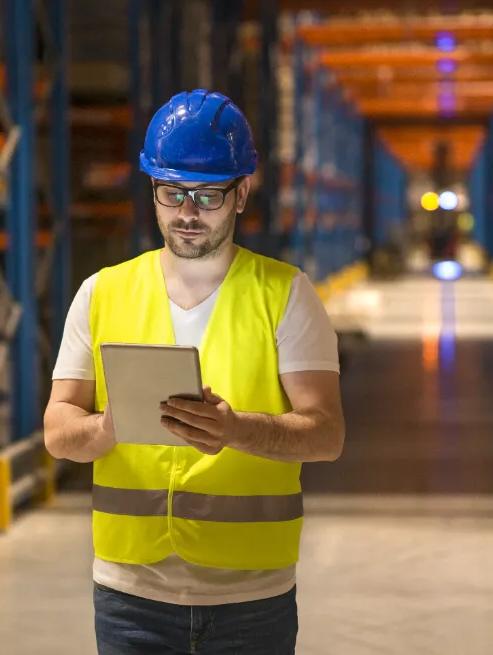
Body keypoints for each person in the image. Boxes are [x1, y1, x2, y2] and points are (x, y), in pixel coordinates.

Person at [43, 89, 346, 655]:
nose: (186, 212)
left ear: (241, 194)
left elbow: (327, 435)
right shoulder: (102, 293)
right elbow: (59, 432)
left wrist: (237, 431)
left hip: (251, 602)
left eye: (207, 195)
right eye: (171, 192)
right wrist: (108, 427)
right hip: (130, 596)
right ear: (152, 191)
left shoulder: (285, 295)